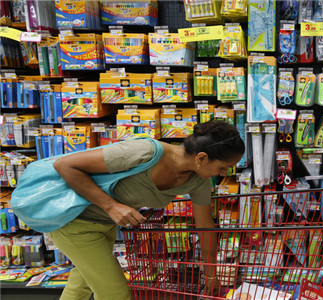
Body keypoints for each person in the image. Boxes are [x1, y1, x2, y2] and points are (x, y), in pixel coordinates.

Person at [49, 120, 245, 300]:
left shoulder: (197, 181)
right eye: (223, 167)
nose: (224, 174)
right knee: (115, 293)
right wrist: (111, 206)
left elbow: (205, 225)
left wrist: (211, 274)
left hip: (104, 226)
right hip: (75, 222)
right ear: (201, 158)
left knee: (81, 284)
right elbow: (65, 165)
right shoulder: (144, 152)